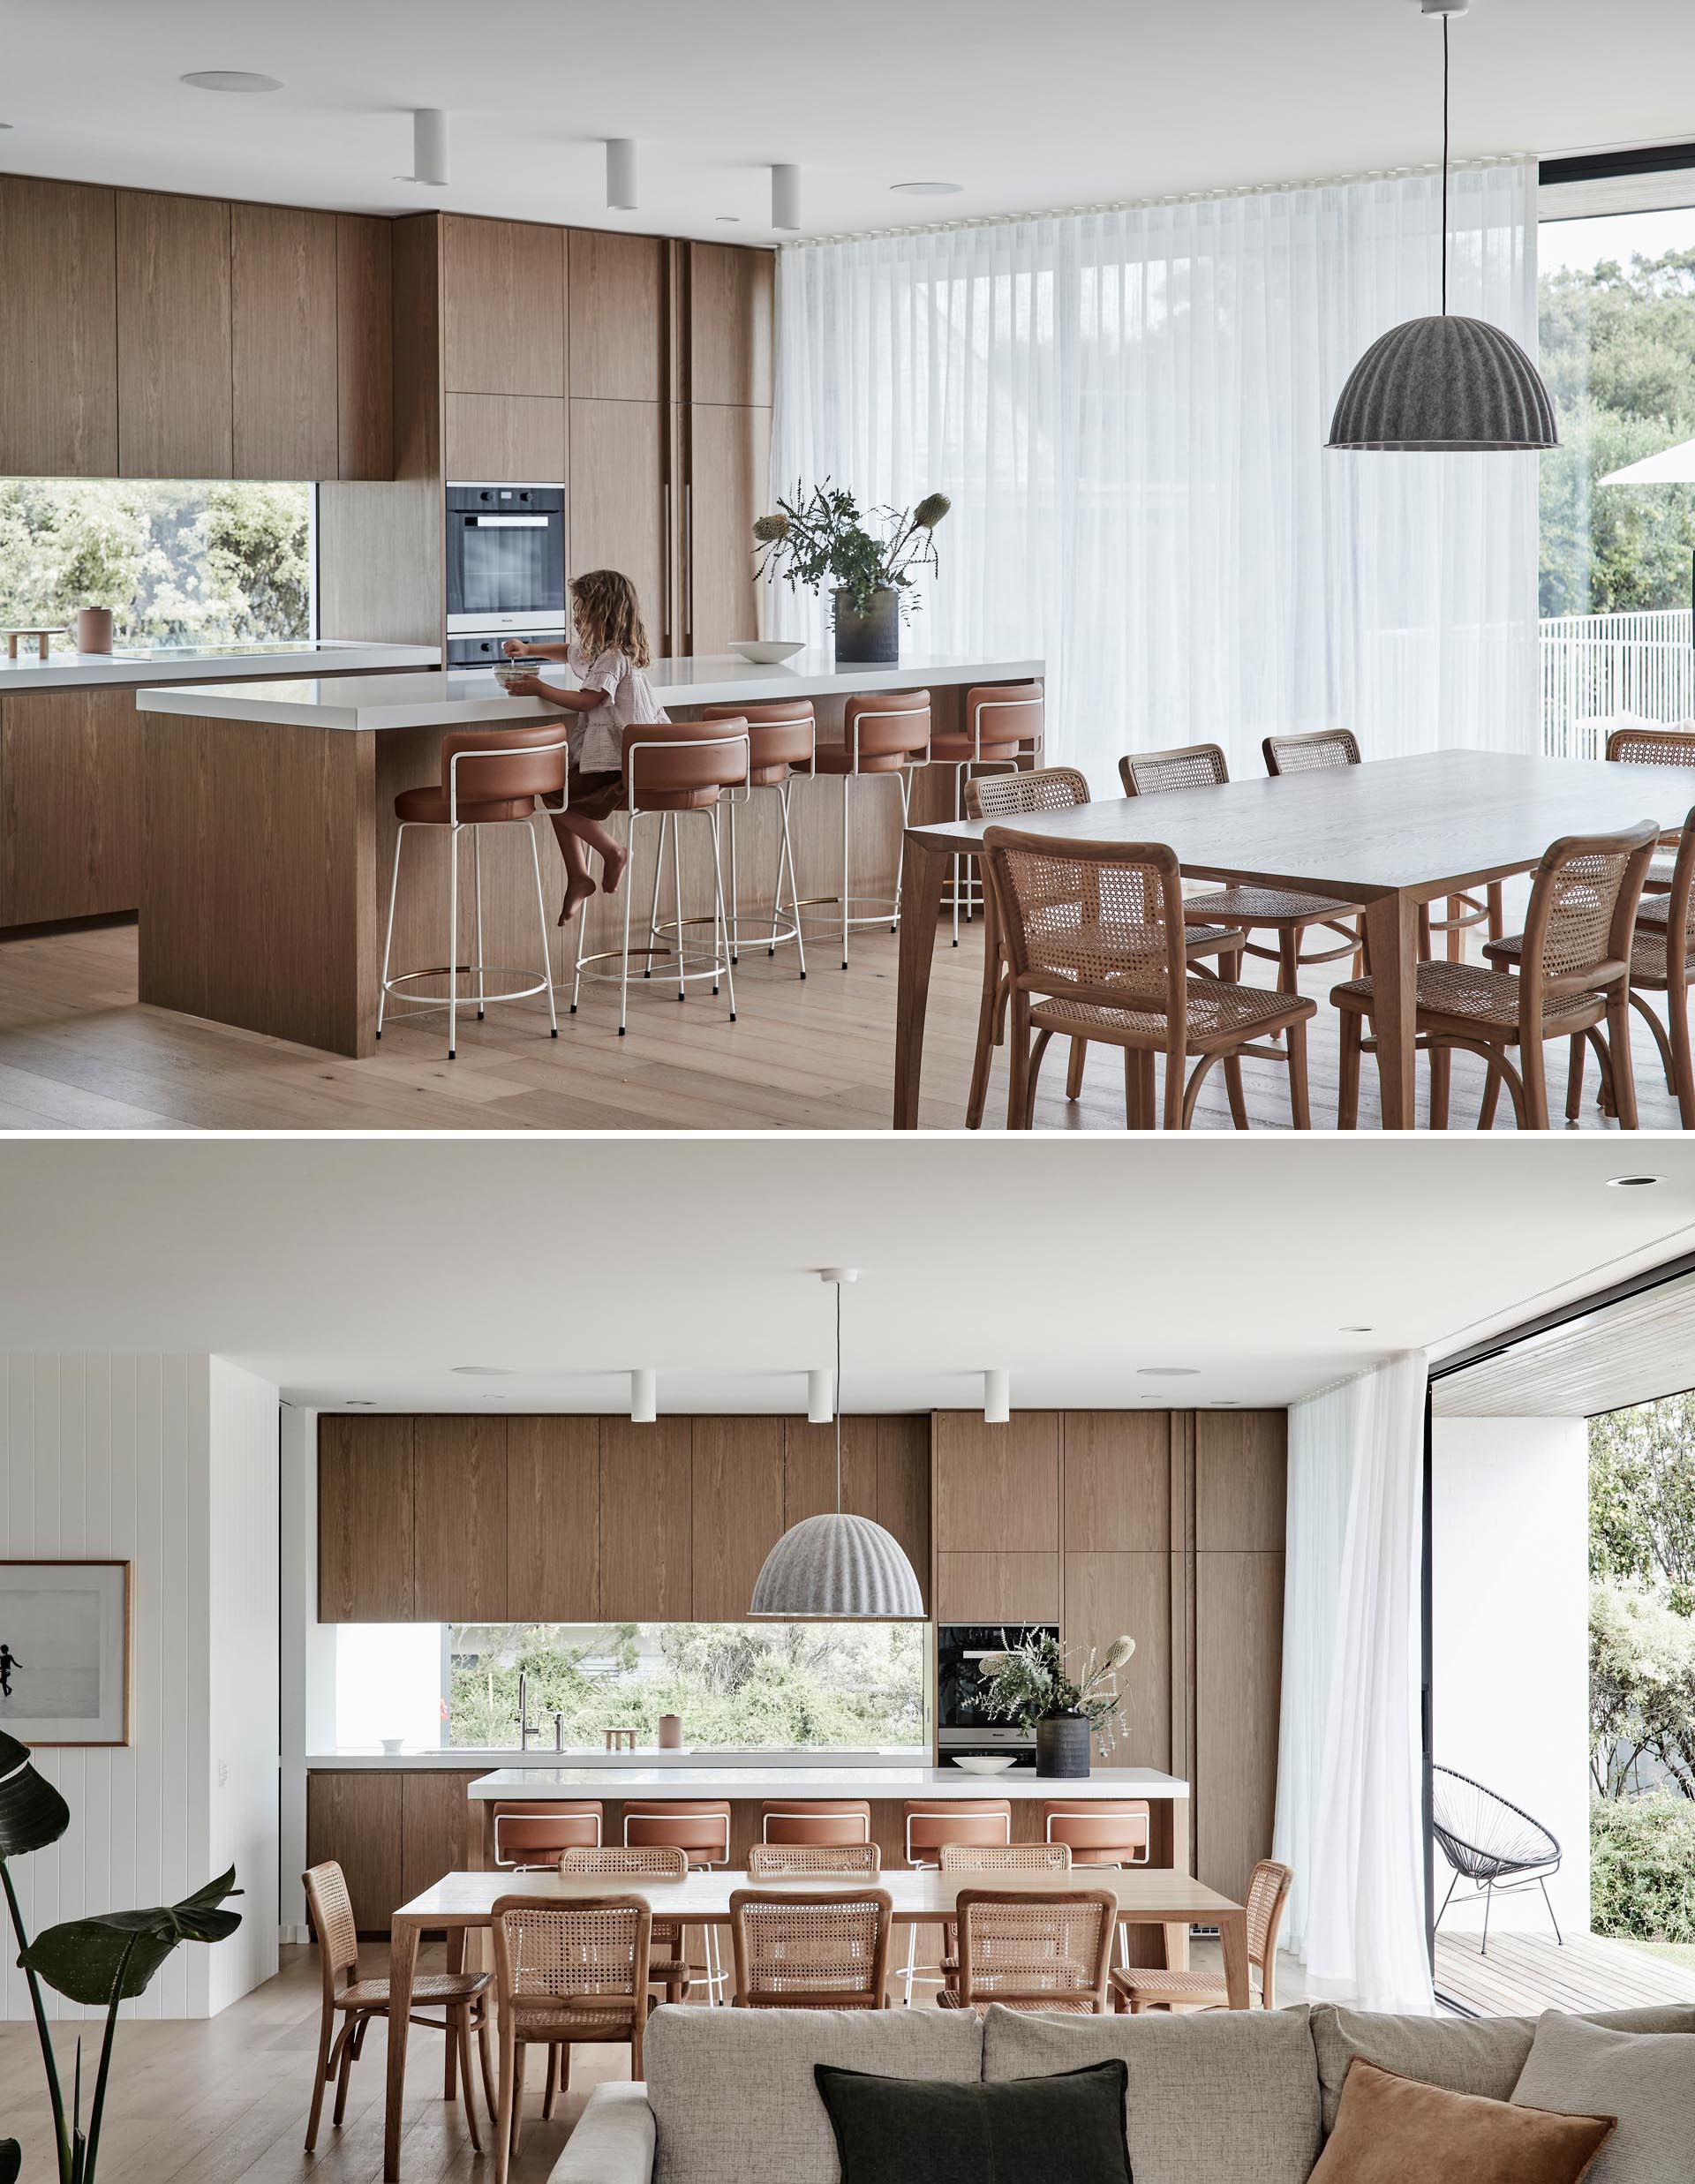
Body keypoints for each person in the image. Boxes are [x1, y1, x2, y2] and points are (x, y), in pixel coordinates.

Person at [498, 569, 667, 924]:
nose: (575, 617)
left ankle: (612, 851)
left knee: (553, 792)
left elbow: (588, 700)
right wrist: (530, 649)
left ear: (603, 613)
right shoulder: (610, 651)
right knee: (558, 789)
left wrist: (539, 689)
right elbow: (569, 651)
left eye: (581, 610)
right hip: (634, 760)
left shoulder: (612, 657)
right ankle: (578, 875)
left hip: (619, 765)